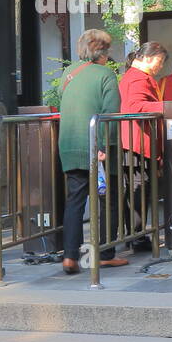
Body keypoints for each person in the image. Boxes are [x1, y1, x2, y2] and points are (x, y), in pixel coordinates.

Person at [56, 29, 127, 275]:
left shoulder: (68, 73)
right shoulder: (106, 74)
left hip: (69, 145)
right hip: (97, 147)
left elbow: (61, 98)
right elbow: (110, 112)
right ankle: (105, 253)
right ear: (104, 52)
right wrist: (103, 147)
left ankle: (69, 256)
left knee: (75, 200)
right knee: (108, 198)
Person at [118, 41, 168, 253]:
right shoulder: (138, 78)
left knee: (136, 189)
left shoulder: (135, 76)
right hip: (137, 143)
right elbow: (135, 107)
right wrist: (166, 107)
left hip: (135, 141)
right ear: (148, 57)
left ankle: (135, 235)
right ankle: (137, 237)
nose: (160, 66)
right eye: (159, 61)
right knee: (140, 189)